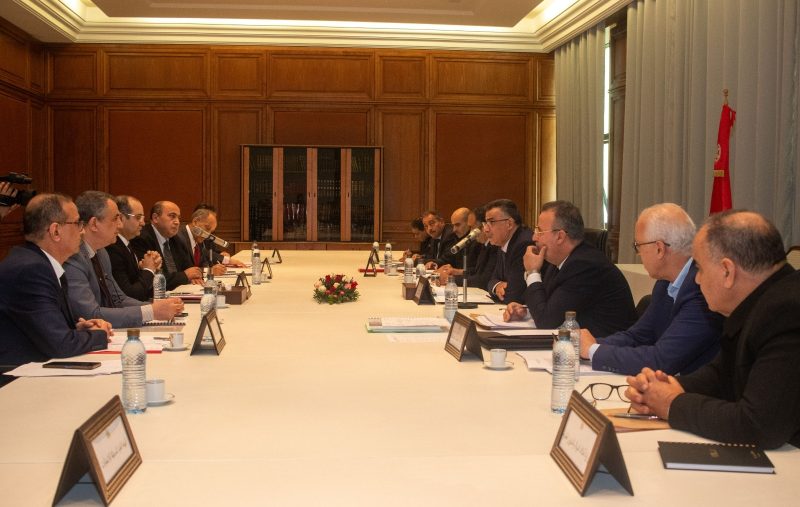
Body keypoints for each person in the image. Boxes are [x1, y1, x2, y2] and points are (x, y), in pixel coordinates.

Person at [626, 210, 800, 449]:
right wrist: (673, 387)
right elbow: (724, 374)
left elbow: (759, 425)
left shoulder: (787, 311)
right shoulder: (760, 302)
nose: (697, 280)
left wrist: (671, 404)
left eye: (699, 268)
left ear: (727, 271)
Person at [580, 203, 722, 375]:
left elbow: (661, 360)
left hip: (695, 387)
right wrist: (588, 344)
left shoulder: (701, 290)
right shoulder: (665, 282)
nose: (638, 254)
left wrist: (592, 351)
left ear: (659, 249)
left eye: (638, 246)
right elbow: (638, 336)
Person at [0, 194, 111, 367]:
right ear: (55, 231)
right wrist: (100, 334)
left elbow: (47, 330)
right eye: (77, 223)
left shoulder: (38, 263)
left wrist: (78, 330)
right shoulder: (31, 270)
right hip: (16, 376)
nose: (82, 231)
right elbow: (61, 345)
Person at [504, 200, 636, 335]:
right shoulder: (560, 261)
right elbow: (551, 308)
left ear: (560, 236)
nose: (534, 237)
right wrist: (526, 312)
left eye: (540, 231)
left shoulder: (585, 265)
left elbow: (546, 322)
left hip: (606, 344)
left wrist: (532, 272)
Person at [64, 191, 184, 328]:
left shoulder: (102, 253)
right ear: (94, 224)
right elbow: (91, 314)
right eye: (115, 219)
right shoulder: (73, 258)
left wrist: (157, 306)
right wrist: (151, 311)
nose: (120, 225)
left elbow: (118, 299)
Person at [131, 201, 203, 290]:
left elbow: (190, 269)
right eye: (172, 216)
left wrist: (195, 276)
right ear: (155, 218)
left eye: (178, 218)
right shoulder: (141, 239)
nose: (177, 222)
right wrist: (184, 276)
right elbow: (153, 279)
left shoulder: (177, 240)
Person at [107, 195, 163, 301]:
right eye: (138, 217)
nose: (143, 223)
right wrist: (148, 270)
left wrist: (148, 268)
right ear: (121, 218)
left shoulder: (129, 244)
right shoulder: (112, 248)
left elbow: (143, 289)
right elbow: (130, 295)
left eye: (143, 218)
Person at [485, 198, 534, 303]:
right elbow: (491, 279)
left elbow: (513, 295)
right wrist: (497, 285)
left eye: (491, 222)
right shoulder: (503, 241)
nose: (486, 229)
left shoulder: (524, 244)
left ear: (509, 224)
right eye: (486, 223)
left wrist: (499, 287)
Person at [437, 207, 498, 290]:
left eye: (472, 227)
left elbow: (483, 280)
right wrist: (457, 271)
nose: (470, 232)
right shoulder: (484, 245)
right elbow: (477, 271)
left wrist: (450, 279)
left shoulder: (495, 246)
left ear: (484, 226)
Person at [175, 207, 244, 274]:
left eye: (211, 231)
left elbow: (204, 262)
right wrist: (210, 271)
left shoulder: (198, 239)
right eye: (207, 228)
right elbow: (184, 270)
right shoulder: (178, 237)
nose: (208, 235)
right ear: (195, 222)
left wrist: (213, 268)